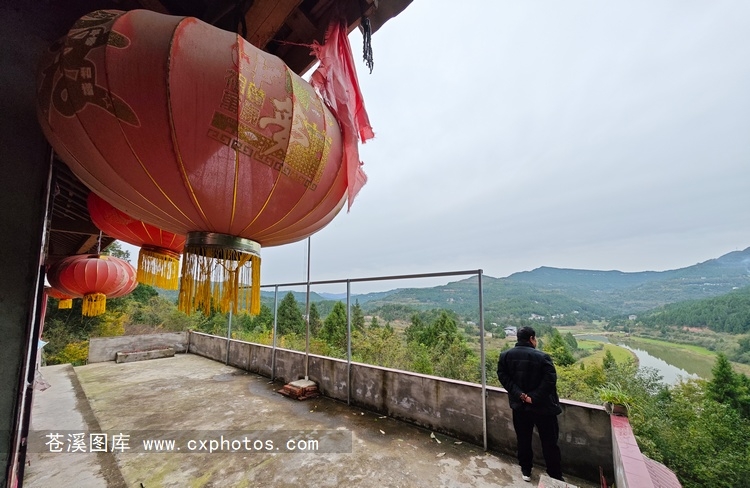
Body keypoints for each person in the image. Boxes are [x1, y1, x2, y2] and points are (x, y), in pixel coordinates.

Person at [497, 326, 564, 482]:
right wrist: (532, 398)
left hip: (520, 407)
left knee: (523, 439)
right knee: (549, 442)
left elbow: (503, 377)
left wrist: (520, 394)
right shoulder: (543, 357)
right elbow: (550, 381)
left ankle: (526, 470)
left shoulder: (505, 356)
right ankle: (555, 475)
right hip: (543, 408)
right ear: (532, 339)